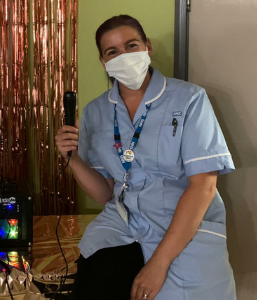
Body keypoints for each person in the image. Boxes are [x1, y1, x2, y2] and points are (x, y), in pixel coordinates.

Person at [56, 15, 236, 300]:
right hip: (123, 226)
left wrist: (159, 262)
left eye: (131, 45)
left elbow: (203, 187)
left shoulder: (189, 99)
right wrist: (73, 159)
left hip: (184, 225)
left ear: (147, 47)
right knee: (93, 283)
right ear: (104, 61)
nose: (124, 56)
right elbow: (106, 194)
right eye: (113, 52)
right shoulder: (96, 112)